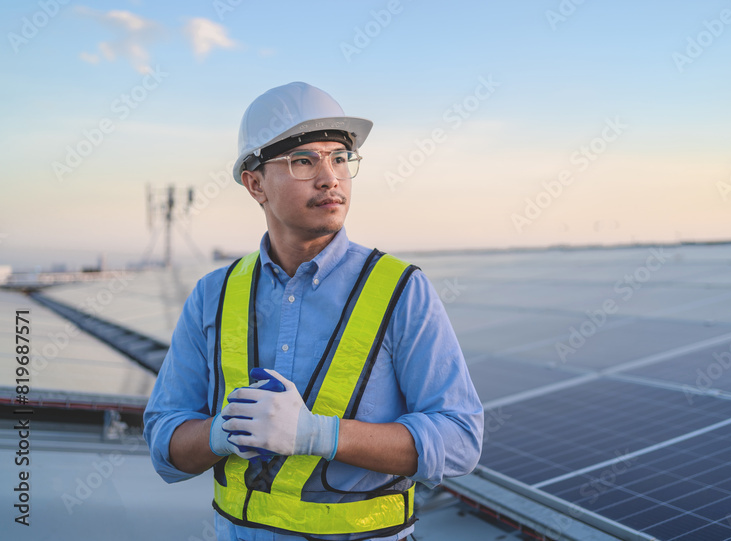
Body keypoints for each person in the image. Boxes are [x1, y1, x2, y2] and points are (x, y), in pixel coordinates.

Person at [143, 82, 484, 541]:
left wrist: (318, 435)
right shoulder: (213, 295)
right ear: (254, 183)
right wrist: (221, 434)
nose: (330, 178)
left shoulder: (402, 290)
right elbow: (166, 443)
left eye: (340, 158)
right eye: (303, 160)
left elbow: (460, 440)